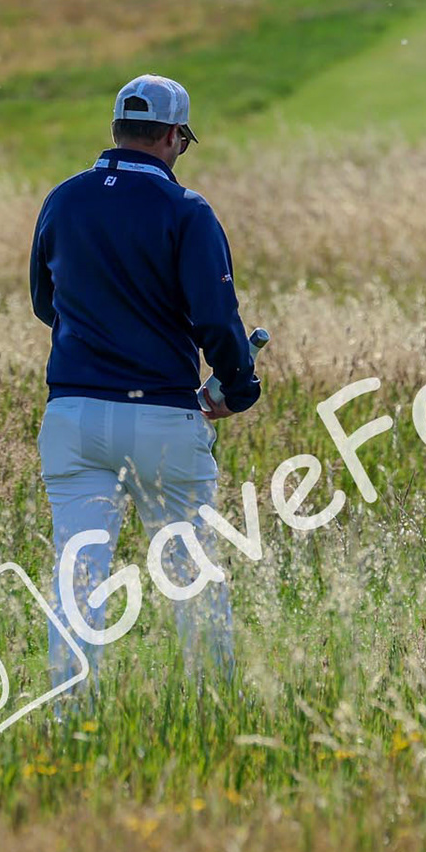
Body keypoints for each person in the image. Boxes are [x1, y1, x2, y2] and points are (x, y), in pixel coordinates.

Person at [29, 74, 261, 689]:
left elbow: (45, 304)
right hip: (163, 415)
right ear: (172, 136)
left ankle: (68, 711)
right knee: (192, 570)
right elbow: (216, 318)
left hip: (73, 414)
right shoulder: (186, 209)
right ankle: (212, 705)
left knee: (78, 575)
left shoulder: (63, 199)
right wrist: (237, 386)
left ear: (115, 131)